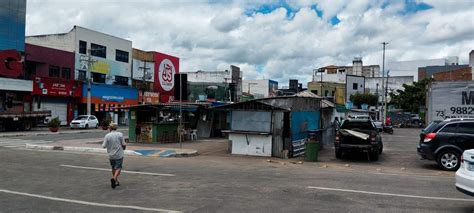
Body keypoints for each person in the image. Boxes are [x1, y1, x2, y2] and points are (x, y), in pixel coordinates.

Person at [102, 123, 126, 189]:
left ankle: (116, 181)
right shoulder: (120, 134)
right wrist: (123, 148)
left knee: (113, 168)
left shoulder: (107, 136)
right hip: (119, 154)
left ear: (110, 128)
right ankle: (114, 178)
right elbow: (124, 144)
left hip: (111, 155)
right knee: (118, 168)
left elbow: (103, 146)